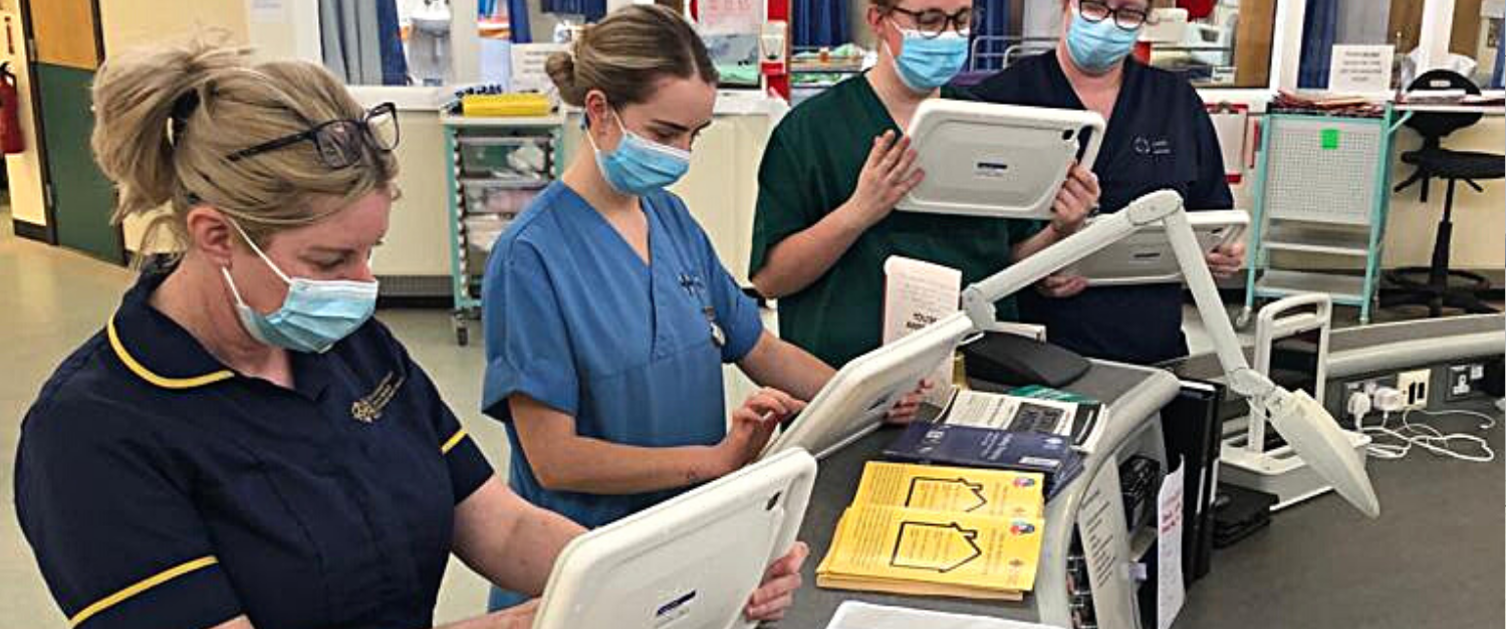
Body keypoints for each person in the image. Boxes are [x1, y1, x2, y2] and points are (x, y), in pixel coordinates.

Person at [12, 38, 803, 629]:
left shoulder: (348, 350)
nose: (361, 284)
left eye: (371, 251)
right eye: (329, 257)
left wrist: (681, 575)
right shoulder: (95, 435)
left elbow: (496, 517)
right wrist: (556, 616)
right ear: (215, 234)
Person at [480, 5, 921, 611]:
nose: (682, 154)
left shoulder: (672, 221)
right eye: (664, 134)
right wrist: (711, 465)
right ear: (601, 111)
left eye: (695, 135)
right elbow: (555, 459)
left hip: (691, 548)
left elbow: (757, 346)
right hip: (588, 566)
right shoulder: (530, 257)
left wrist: (867, 395)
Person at [748, 0, 1101, 369]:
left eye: (961, 20)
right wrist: (858, 212)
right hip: (847, 385)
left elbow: (1006, 258)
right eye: (929, 20)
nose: (948, 35)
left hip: (972, 373)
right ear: (878, 20)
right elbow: (772, 280)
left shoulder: (987, 125)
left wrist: (1061, 230)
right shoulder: (812, 131)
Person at [969, 0, 1245, 365]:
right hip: (1035, 353)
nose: (1109, 25)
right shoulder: (1002, 100)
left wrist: (1220, 254)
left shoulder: (1173, 101)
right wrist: (1037, 263)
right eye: (1097, 7)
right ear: (1067, 5)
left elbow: (1208, 214)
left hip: (1152, 346)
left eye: (1128, 13)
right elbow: (974, 248)